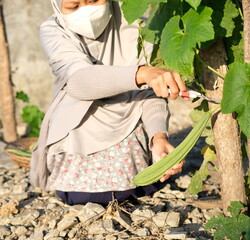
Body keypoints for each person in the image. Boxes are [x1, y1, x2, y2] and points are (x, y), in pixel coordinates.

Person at [29, 0, 186, 206]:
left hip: (130, 119)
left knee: (139, 186)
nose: (87, 12)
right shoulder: (54, 29)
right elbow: (79, 82)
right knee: (89, 197)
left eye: (94, 0)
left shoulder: (137, 24)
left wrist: (158, 136)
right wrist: (141, 73)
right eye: (74, 6)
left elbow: (150, 94)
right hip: (78, 122)